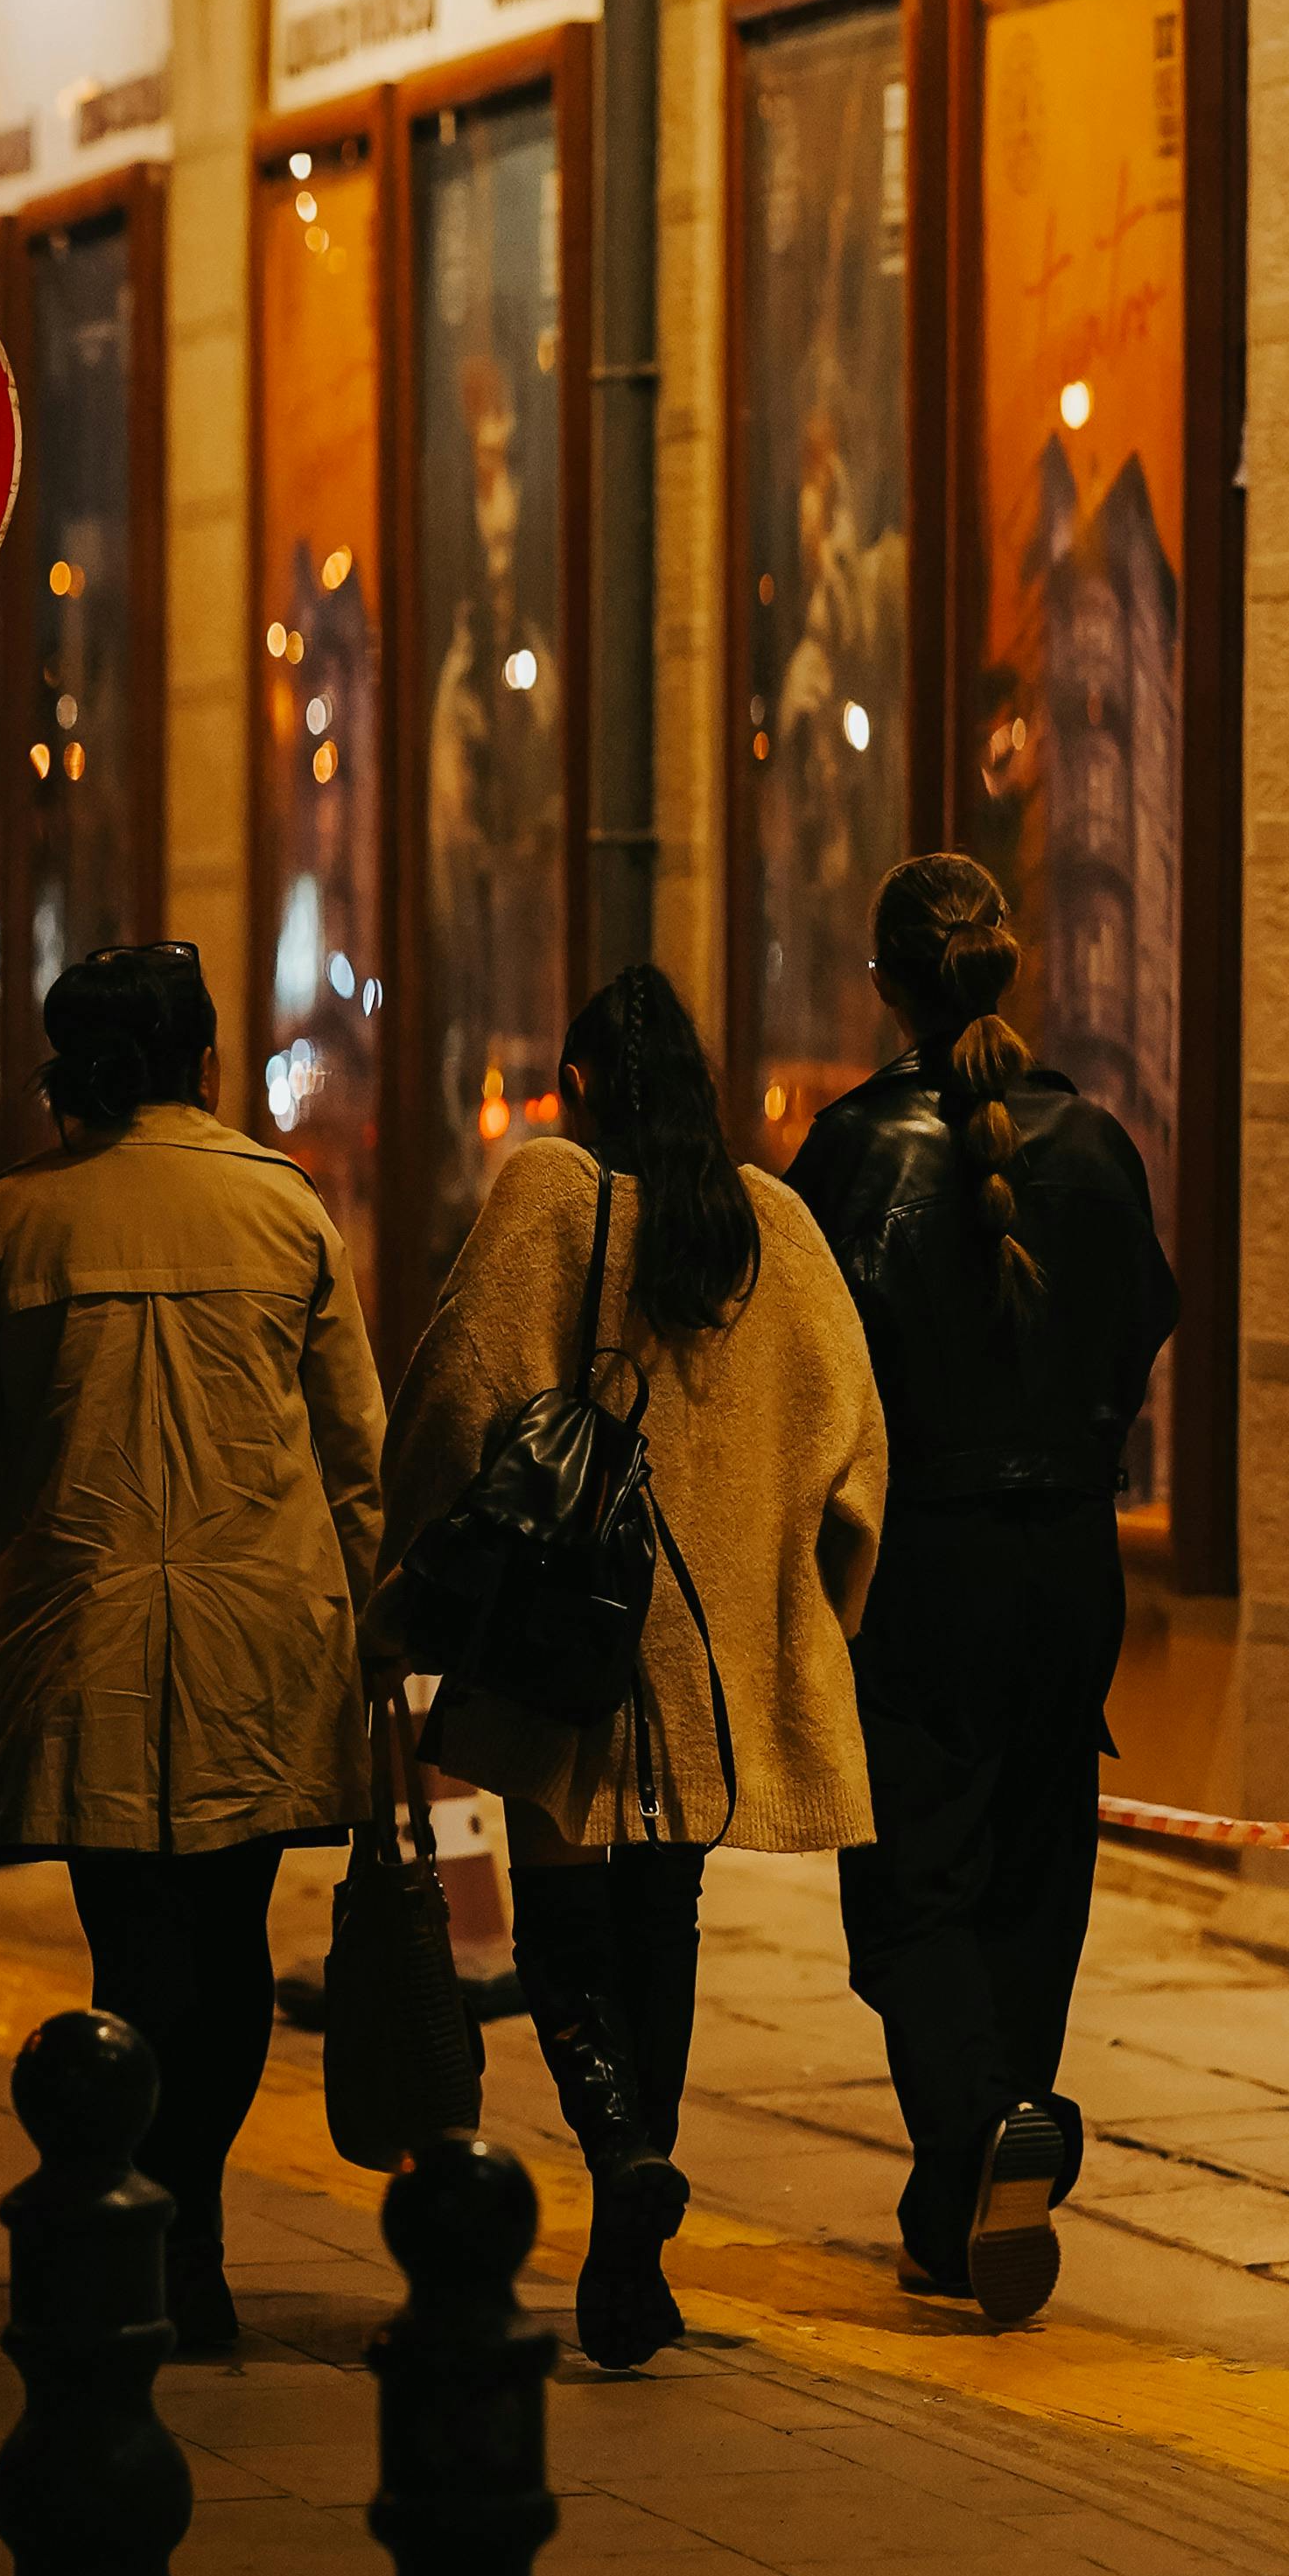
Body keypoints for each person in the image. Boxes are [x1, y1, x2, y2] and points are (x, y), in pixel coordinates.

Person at [375, 962, 886, 2370]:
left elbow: (451, 1396)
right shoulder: (767, 1221)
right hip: (712, 1664)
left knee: (557, 1928)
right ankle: (633, 2244)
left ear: (585, 1084)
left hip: (566, 1638)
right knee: (667, 1924)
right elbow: (859, 1463)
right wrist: (810, 1632)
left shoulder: (550, 1195)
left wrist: (400, 1586)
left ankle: (616, 2154)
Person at [0, 938, 384, 2357]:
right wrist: (380, 1610)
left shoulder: (11, 1223)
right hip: (261, 1634)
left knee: (132, 1942)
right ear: (207, 1062)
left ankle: (144, 2223)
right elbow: (353, 1446)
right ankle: (195, 2228)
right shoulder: (284, 1209)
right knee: (229, 1944)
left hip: (85, 1624)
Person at [791, 850, 1176, 2327]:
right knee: (1034, 1859)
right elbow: (1144, 1321)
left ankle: (977, 2129)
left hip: (925, 1561)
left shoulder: (849, 1149)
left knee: (908, 1886)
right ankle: (961, 2201)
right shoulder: (1097, 1142)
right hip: (1071, 1560)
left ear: (887, 977)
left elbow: (813, 1368)